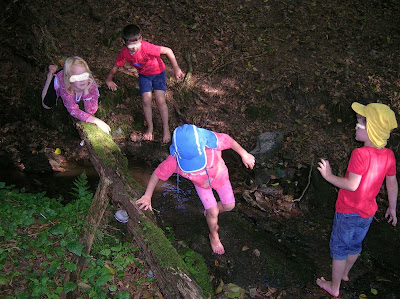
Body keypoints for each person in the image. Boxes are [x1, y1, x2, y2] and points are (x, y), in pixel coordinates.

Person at [316, 102, 398, 297]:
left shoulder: (359, 154)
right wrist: (393, 208)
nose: (355, 126)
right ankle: (345, 274)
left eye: (359, 123)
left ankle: (334, 286)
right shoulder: (388, 155)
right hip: (368, 212)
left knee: (339, 249)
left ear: (371, 130)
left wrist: (328, 176)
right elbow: (392, 184)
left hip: (347, 211)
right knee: (355, 245)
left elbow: (351, 185)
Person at [135, 124, 255, 254]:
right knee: (213, 212)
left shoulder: (212, 141)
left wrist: (245, 154)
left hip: (220, 177)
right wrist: (147, 196)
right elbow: (157, 174)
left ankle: (209, 213)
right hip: (202, 185)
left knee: (230, 206)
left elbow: (229, 141)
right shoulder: (175, 160)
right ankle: (213, 235)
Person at [105, 24, 184, 143]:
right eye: (130, 47)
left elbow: (168, 51)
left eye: (135, 46)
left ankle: (166, 129)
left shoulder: (147, 48)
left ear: (140, 39)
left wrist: (176, 68)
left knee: (160, 100)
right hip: (144, 76)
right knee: (146, 100)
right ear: (124, 42)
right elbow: (117, 65)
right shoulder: (125, 53)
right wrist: (109, 79)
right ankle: (150, 128)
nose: (133, 49)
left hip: (158, 73)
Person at [41, 56, 111, 134]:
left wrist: (86, 91)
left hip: (69, 76)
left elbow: (91, 110)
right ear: (69, 79)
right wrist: (97, 121)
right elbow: (73, 110)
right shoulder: (65, 88)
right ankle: (50, 75)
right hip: (61, 77)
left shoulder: (90, 84)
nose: (82, 80)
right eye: (77, 77)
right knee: (46, 105)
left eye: (84, 75)